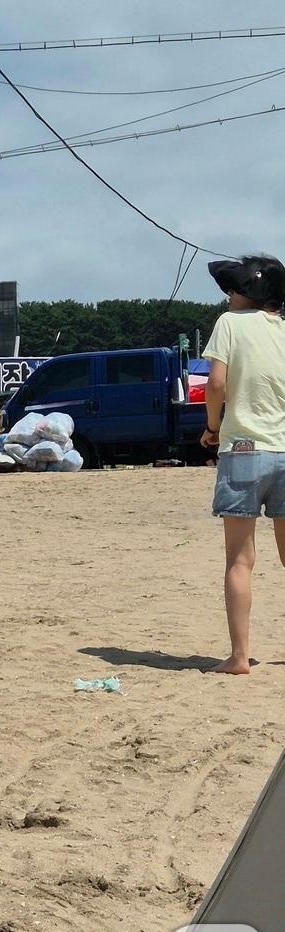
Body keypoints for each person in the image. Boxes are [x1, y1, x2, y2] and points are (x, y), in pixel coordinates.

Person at [199, 253, 285, 675]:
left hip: (245, 450)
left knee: (239, 560)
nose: (227, 295)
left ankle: (238, 657)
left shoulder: (229, 324)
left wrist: (213, 427)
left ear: (244, 295)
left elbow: (216, 384)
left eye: (232, 289)